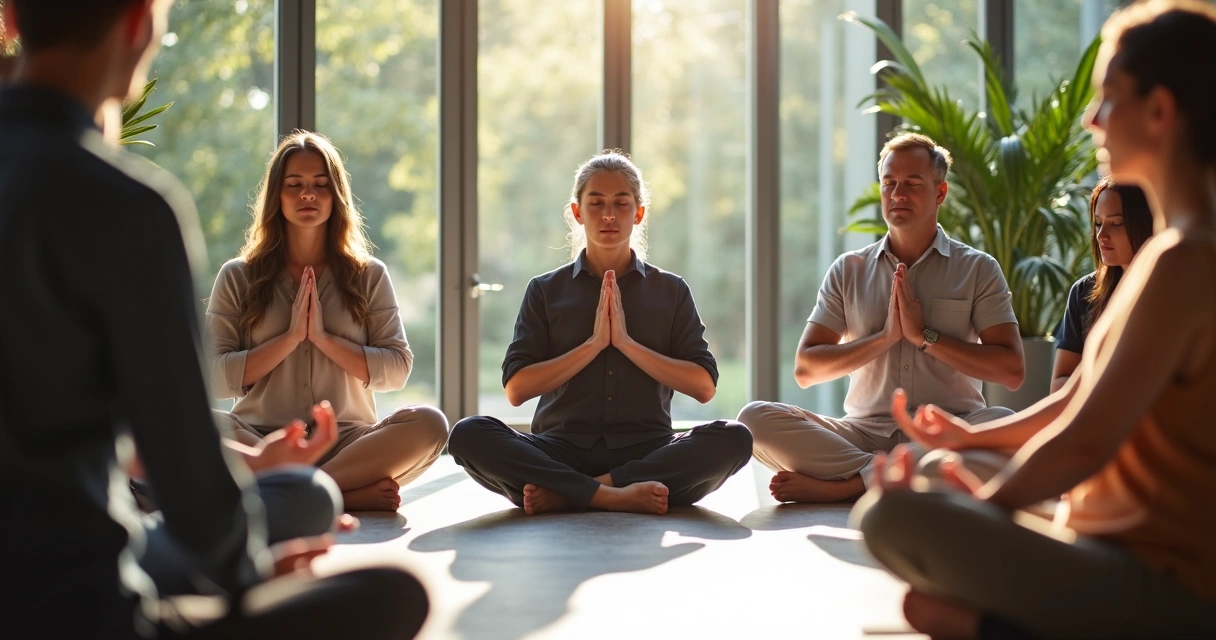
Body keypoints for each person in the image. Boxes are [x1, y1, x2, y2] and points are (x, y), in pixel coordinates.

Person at [0, 1, 427, 637]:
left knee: (304, 489)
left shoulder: (365, 275)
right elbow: (187, 477)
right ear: (141, 22)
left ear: (9, 19)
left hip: (85, 548)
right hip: (77, 600)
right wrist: (250, 579)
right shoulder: (129, 209)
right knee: (394, 594)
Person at [854, 1, 1216, 637]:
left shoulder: (1187, 259)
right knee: (935, 481)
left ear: (1159, 112)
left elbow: (1085, 441)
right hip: (1096, 528)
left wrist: (989, 507)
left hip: (1160, 577)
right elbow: (1078, 402)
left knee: (890, 519)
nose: (1091, 120)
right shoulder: (1168, 254)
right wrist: (968, 448)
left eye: (1108, 100)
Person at [447, 151, 753, 515]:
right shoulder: (546, 290)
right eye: (596, 203)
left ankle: (578, 492)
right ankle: (615, 494)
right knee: (468, 434)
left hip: (647, 451)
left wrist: (625, 343)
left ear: (638, 213)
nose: (609, 214)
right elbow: (516, 389)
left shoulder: (671, 290)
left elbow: (704, 386)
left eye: (621, 203)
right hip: (559, 450)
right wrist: (592, 346)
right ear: (577, 212)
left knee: (735, 437)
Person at [736, 133, 1025, 504]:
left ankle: (852, 485)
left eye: (912, 184)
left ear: (940, 193)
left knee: (1004, 423)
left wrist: (924, 336)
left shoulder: (978, 269)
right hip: (863, 434)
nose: (898, 194)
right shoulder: (848, 269)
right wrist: (884, 338)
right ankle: (895, 474)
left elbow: (1012, 370)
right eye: (889, 184)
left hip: (947, 430)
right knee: (754, 419)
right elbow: (806, 369)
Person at [207, 130, 449, 512]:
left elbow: (398, 369)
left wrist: (322, 338)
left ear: (337, 196)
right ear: (276, 195)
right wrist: (288, 338)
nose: (308, 194)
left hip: (348, 443)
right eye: (295, 185)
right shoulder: (238, 275)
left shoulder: (369, 275)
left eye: (321, 185)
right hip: (262, 441)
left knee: (430, 424)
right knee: (196, 424)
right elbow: (216, 376)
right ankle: (341, 495)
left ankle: (296, 491)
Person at [1050, 177, 1153, 392]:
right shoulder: (1084, 293)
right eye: (1098, 223)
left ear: (1145, 224)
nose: (1101, 235)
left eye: (1115, 223)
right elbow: (1060, 384)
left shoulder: (1173, 291)